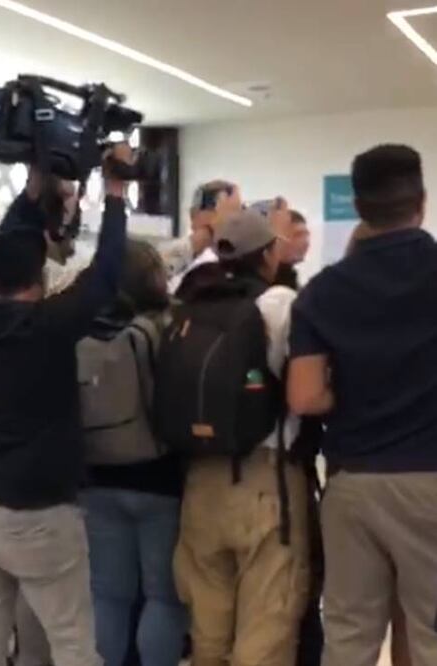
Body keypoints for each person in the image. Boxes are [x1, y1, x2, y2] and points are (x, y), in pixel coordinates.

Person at [0, 146, 133, 666]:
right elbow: (106, 275)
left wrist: (32, 194)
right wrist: (117, 196)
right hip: (39, 510)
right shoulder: (48, 327)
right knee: (72, 634)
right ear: (41, 275)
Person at [289, 144, 437, 666]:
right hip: (431, 480)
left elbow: (305, 396)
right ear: (420, 200)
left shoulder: (323, 291)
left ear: (358, 206)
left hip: (352, 484)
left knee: (349, 634)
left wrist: (351, 395)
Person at [171, 210, 310, 666]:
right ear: (268, 254)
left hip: (199, 481)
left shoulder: (187, 298)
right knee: (265, 633)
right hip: (264, 481)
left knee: (208, 634)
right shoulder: (280, 304)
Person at [79, 240, 188, 666]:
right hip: (158, 475)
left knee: (107, 594)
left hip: (97, 474)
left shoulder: (82, 328)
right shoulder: (165, 326)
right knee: (164, 595)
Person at [275, 211, 311, 289]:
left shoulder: (290, 278)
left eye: (306, 235)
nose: (306, 242)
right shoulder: (264, 287)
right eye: (298, 235)